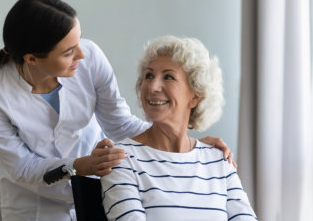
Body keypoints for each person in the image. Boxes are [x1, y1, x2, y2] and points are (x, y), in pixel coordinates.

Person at [0, 0, 234, 221]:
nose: (81, 54)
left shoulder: (89, 57)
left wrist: (186, 143)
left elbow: (120, 124)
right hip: (34, 207)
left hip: (97, 192)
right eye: (69, 52)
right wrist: (81, 165)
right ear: (32, 58)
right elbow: (23, 167)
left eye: (78, 42)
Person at [101, 36, 257, 221]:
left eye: (168, 77)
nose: (153, 86)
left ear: (195, 96)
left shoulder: (218, 160)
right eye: (148, 75)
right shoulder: (120, 158)